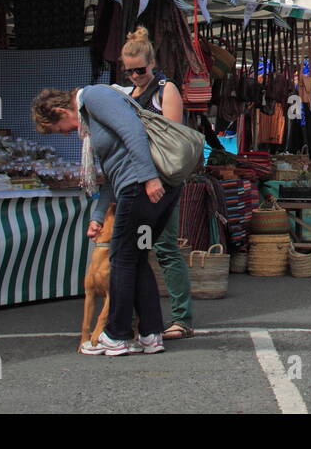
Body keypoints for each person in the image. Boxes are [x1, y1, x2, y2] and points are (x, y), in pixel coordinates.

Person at [34, 84, 180, 356]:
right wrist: (98, 216)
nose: (66, 133)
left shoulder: (94, 97)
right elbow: (112, 173)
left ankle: (116, 335)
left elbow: (133, 131)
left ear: (59, 110)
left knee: (121, 259)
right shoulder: (92, 115)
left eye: (60, 128)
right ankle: (150, 334)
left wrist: (148, 178)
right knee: (136, 258)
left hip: (141, 185)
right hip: (149, 185)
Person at [117, 26, 193, 341]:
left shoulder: (166, 89)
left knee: (164, 247)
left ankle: (182, 318)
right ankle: (143, 320)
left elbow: (173, 140)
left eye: (140, 70)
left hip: (163, 181)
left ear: (152, 63)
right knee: (136, 251)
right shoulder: (127, 94)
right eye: (130, 72)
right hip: (135, 182)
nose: (135, 76)